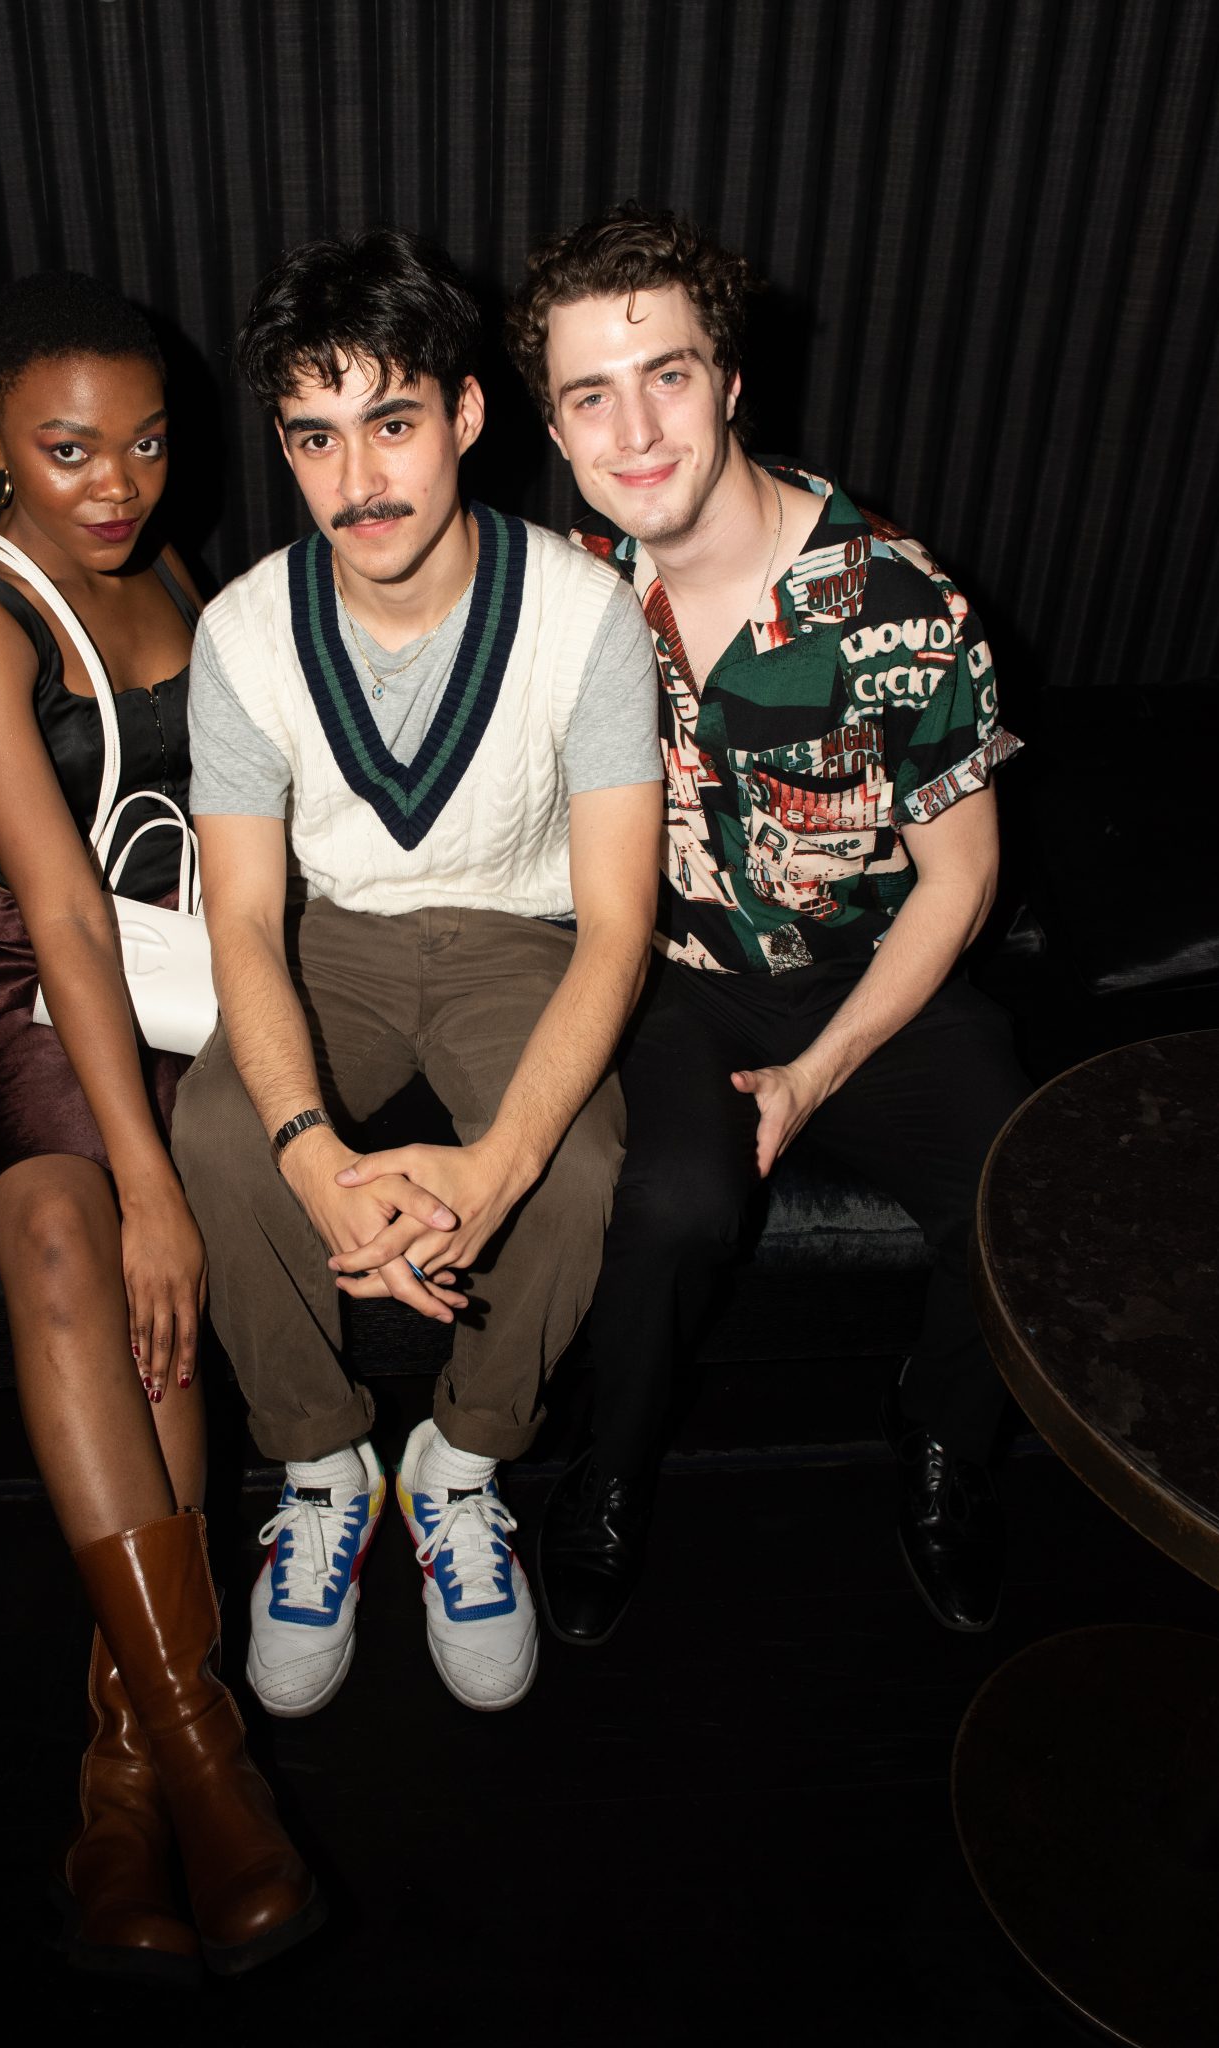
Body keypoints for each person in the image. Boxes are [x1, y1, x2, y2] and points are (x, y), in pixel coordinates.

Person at [0, 272, 321, 1981]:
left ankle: (119, 1781)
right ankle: (209, 1763)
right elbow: (54, 909)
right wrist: (152, 1183)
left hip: (167, 977)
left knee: (153, 1295)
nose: (114, 485)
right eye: (66, 450)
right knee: (79, 1238)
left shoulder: (169, 565)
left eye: (144, 442)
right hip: (8, 975)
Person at [506, 204, 1030, 1644]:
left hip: (875, 972)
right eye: (590, 396)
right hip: (674, 973)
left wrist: (815, 1073)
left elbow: (962, 879)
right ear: (553, 427)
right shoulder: (571, 586)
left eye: (666, 376)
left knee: (1017, 1190)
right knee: (673, 1204)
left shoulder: (897, 600)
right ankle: (610, 1472)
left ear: (730, 382)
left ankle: (942, 1437)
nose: (633, 433)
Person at [171, 227, 663, 1719]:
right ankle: (321, 1462)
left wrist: (496, 1169)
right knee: (218, 1126)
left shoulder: (584, 615)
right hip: (334, 941)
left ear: (465, 414)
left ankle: (462, 1461)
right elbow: (242, 922)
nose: (357, 478)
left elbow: (618, 924)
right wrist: (310, 1154)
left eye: (391, 422)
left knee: (580, 1157)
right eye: (314, 436)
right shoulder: (242, 633)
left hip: (521, 940)